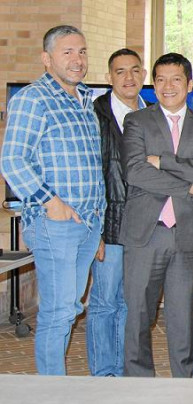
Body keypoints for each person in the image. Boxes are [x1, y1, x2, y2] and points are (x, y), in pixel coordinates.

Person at [0, 25, 105, 375]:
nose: (77, 60)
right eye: (67, 52)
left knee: (69, 307)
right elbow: (12, 159)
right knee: (58, 311)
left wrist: (98, 221)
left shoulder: (85, 100)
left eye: (82, 51)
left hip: (87, 224)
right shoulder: (33, 98)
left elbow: (90, 165)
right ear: (47, 59)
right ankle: (51, 392)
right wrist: (51, 202)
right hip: (55, 223)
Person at [121, 53, 193, 378]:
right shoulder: (137, 121)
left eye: (176, 79)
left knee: (183, 316)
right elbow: (135, 172)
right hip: (145, 233)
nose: (168, 86)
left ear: (189, 84)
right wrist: (187, 186)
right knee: (138, 313)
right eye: (161, 79)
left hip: (186, 234)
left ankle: (184, 385)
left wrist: (164, 161)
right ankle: (139, 386)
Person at [87, 48, 147, 377]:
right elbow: (89, 174)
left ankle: (125, 374)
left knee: (131, 304)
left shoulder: (153, 115)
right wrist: (93, 230)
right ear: (109, 77)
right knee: (104, 303)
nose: (128, 77)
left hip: (143, 228)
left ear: (143, 75)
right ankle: (103, 375)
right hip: (107, 227)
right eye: (120, 71)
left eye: (135, 70)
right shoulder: (93, 114)